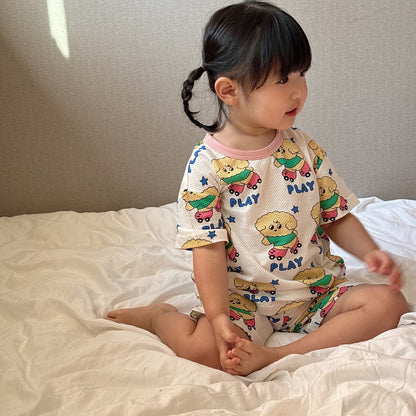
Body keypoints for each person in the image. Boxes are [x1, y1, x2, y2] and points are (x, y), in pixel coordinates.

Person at [107, 1, 409, 376]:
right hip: (244, 301)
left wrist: (370, 251)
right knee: (203, 351)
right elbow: (207, 247)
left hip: (315, 291)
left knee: (389, 303)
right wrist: (218, 317)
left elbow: (335, 215)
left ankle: (281, 355)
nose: (298, 91)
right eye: (283, 80)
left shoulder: (303, 148)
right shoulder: (206, 166)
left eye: (301, 74)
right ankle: (159, 317)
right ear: (229, 91)